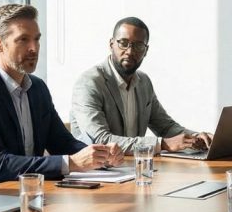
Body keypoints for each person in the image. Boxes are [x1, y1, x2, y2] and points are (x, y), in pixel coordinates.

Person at [0, 4, 123, 184]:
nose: (34, 48)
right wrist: (73, 163)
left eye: (36, 39)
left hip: (31, 191)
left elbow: (62, 143)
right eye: (23, 40)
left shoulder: (37, 88)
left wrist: (101, 155)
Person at [71, 17, 211, 154]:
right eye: (123, 43)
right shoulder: (89, 83)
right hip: (98, 167)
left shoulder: (144, 82)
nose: (130, 51)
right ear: (111, 44)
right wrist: (163, 144)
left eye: (138, 46)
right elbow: (100, 140)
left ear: (146, 51)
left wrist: (197, 138)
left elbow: (165, 127)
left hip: (136, 165)